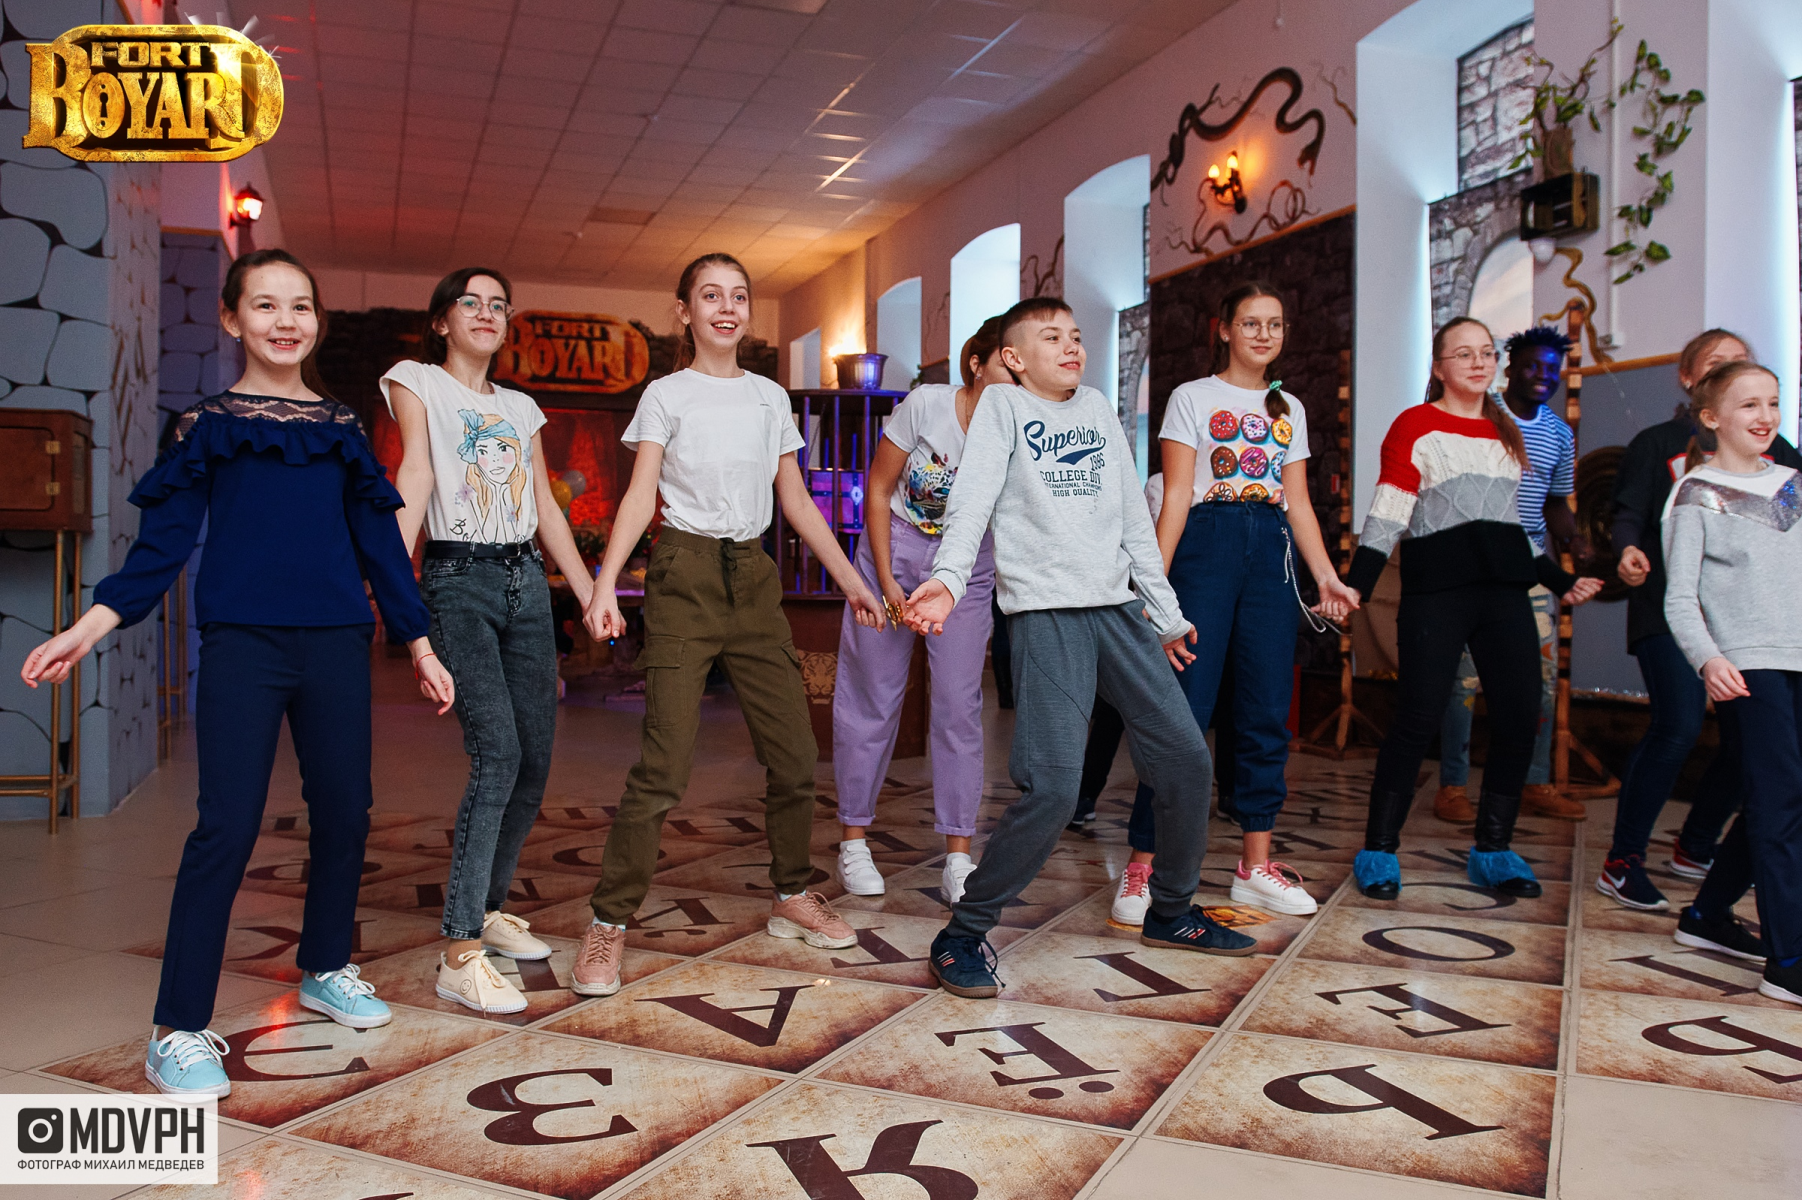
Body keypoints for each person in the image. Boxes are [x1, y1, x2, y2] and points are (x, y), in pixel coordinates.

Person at [20, 250, 455, 1096]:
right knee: (226, 826)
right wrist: (91, 625)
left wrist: (420, 644)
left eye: (301, 305)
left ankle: (325, 966)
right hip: (243, 647)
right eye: (265, 305)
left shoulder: (342, 428)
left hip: (335, 643)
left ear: (317, 320)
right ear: (232, 318)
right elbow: (162, 548)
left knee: (346, 813)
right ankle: (176, 1029)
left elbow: (379, 546)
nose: (286, 321)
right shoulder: (206, 427)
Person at [905, 296, 1260, 1000]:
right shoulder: (1004, 409)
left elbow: (1133, 518)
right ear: (1013, 357)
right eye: (1051, 337)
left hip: (1118, 611)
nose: (1071, 346)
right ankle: (962, 935)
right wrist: (947, 580)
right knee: (1055, 787)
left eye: (1074, 335)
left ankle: (1172, 911)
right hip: (1047, 617)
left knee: (1186, 760)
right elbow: (971, 503)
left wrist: (1166, 616)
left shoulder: (1097, 407)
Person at [572, 253, 885, 997]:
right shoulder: (665, 395)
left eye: (738, 296)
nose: (726, 308)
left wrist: (854, 582)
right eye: (710, 296)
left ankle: (791, 893)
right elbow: (641, 495)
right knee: (663, 767)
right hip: (683, 574)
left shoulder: (769, 398)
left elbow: (797, 502)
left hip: (752, 577)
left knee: (795, 752)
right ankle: (608, 922)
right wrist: (604, 583)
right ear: (684, 311)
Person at [1107, 282, 1361, 924]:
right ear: (1224, 329)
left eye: (1275, 324)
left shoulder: (1289, 407)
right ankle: (1143, 867)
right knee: (1182, 709)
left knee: (1265, 709)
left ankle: (1254, 867)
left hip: (1270, 553)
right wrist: (1153, 589)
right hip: (1206, 546)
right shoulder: (1192, 397)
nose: (1264, 334)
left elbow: (1298, 503)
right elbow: (1175, 497)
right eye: (1251, 323)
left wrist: (1326, 577)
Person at [382, 267, 595, 1014]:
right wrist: (392, 585)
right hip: (457, 579)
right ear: (441, 320)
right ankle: (460, 949)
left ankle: (490, 907)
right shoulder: (416, 380)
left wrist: (590, 591)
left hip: (526, 581)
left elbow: (545, 508)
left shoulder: (521, 408)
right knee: (497, 753)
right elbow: (414, 474)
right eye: (469, 302)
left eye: (499, 305)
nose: (486, 313)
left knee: (534, 760)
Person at [1344, 316, 1601, 901]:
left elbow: (1511, 527)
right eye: (1464, 354)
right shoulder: (1415, 425)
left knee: (1520, 713)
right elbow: (1389, 512)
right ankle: (1378, 850)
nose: (1479, 362)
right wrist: (1356, 586)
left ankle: (1494, 848)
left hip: (1504, 592)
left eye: (1486, 352)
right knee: (1418, 717)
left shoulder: (1503, 429)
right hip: (1438, 591)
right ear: (1439, 367)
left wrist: (1561, 581)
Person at [1599, 330, 1802, 910]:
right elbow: (1628, 512)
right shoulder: (1659, 446)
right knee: (1680, 726)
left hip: (1759, 629)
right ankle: (1624, 859)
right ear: (1693, 384)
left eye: (1743, 363)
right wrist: (1627, 549)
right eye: (1719, 364)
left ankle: (1697, 853)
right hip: (1675, 609)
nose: (1761, 412)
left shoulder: (1781, 460)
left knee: (1751, 755)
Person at [832, 318, 1010, 904]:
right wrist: (884, 579)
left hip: (967, 569)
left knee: (959, 706)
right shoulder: (927, 405)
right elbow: (878, 489)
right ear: (977, 363)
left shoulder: (1019, 430)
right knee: (870, 696)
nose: (1015, 379)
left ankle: (958, 856)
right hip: (893, 550)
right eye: (1005, 364)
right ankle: (854, 840)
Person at [1660, 360, 1802, 1005]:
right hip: (1748, 664)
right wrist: (1708, 659)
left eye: (1772, 402)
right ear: (1712, 417)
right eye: (1749, 405)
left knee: (1781, 797)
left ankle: (1707, 914)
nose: (1765, 416)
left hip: (1799, 659)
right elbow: (1680, 598)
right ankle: (1789, 958)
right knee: (1781, 800)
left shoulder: (1793, 486)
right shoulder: (1695, 494)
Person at [1435, 327, 1586, 823]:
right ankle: (1452, 786)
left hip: (1531, 570)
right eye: (1533, 366)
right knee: (1464, 681)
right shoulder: (1483, 415)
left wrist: (1578, 541)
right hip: (1473, 565)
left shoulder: (1559, 434)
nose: (1543, 376)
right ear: (1510, 367)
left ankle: (1535, 781)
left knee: (1541, 680)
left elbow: (1555, 503)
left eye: (1552, 369)